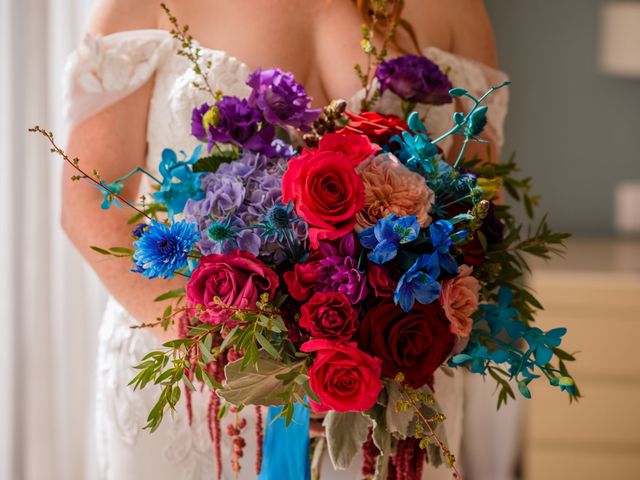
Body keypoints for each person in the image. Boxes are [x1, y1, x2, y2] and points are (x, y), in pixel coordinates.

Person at [62, 1, 512, 478]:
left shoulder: (453, 10)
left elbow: (479, 209)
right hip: (190, 388)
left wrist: (378, 354)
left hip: (387, 400)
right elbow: (91, 202)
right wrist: (218, 351)